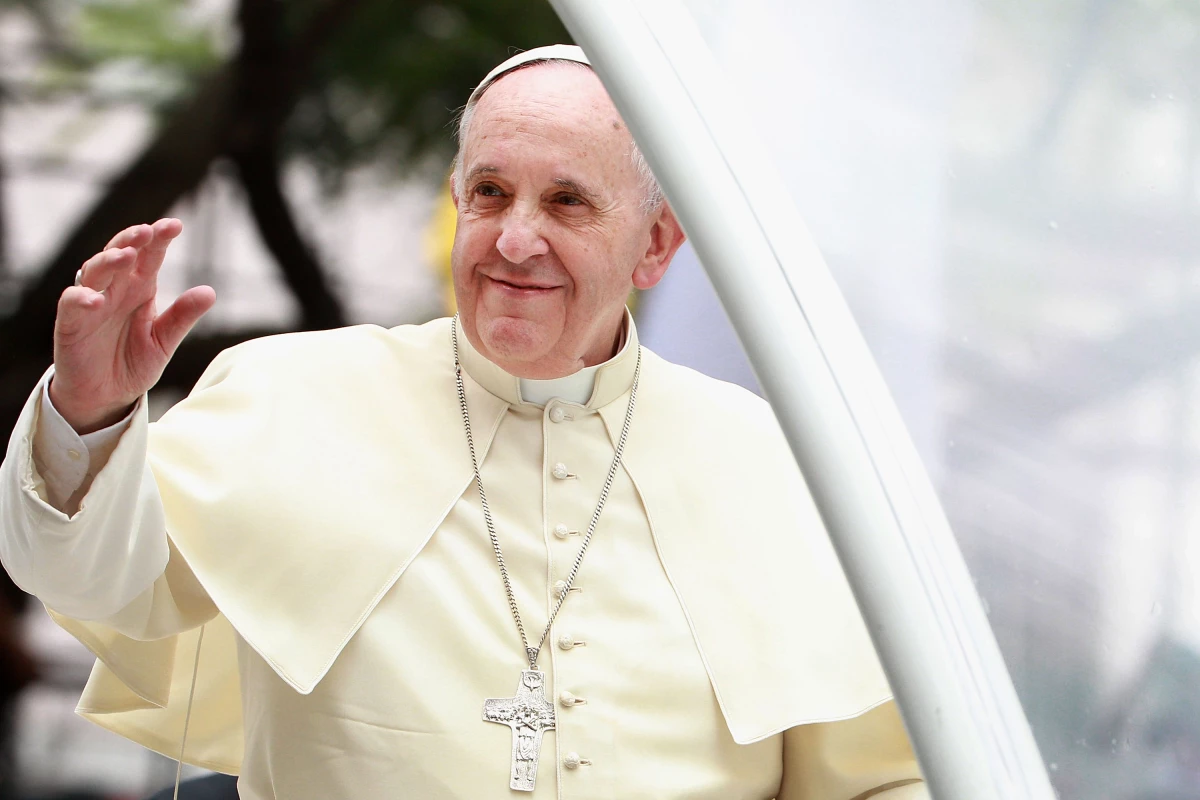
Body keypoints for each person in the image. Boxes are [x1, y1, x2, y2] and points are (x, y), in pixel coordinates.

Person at [0, 45, 928, 799]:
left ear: (655, 244)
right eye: (490, 193)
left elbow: (869, 778)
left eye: (566, 201)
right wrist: (92, 413)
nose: (516, 238)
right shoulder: (293, 393)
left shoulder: (770, 460)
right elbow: (90, 582)